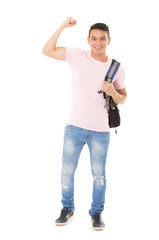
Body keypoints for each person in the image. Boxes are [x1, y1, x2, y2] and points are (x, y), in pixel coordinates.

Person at [42, 17, 127, 231]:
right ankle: (67, 208)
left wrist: (113, 92)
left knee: (99, 174)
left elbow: (123, 98)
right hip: (74, 127)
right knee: (66, 172)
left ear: (109, 40)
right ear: (88, 40)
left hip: (100, 130)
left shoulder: (116, 67)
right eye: (94, 39)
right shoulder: (77, 56)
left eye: (103, 39)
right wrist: (62, 25)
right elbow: (47, 50)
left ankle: (97, 213)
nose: (98, 43)